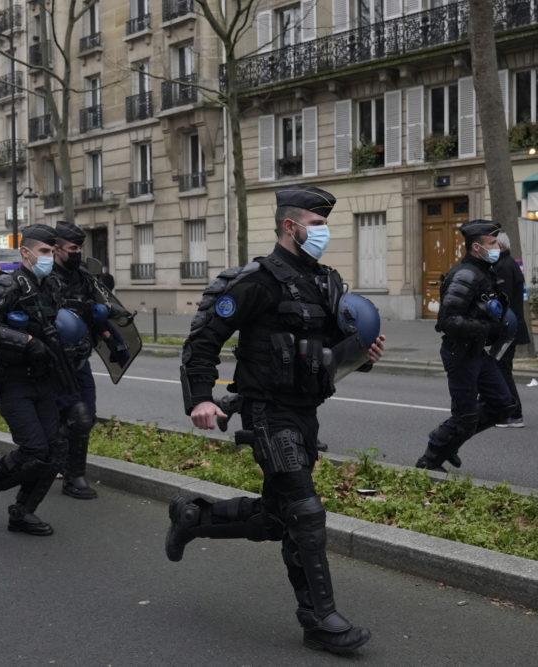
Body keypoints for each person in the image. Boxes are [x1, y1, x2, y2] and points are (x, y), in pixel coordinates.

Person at [166, 186, 385, 654]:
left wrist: (363, 356)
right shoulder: (255, 281)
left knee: (276, 517)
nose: (324, 232)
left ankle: (194, 516)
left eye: (326, 224)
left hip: (306, 414)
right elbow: (203, 340)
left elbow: (329, 352)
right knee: (305, 513)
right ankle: (320, 620)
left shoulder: (326, 282)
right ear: (292, 227)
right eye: (317, 223)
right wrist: (201, 398)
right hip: (267, 412)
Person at [0, 224, 91, 536]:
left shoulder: (52, 287)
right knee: (34, 450)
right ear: (26, 252)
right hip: (12, 378)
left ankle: (22, 512)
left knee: (56, 449)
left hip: (45, 378)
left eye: (51, 251)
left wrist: (78, 341)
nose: (49, 257)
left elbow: (62, 323)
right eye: (43, 252)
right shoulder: (6, 284)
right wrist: (26, 342)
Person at [415, 220, 519, 470]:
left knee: (502, 404)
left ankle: (451, 443)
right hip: (460, 354)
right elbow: (447, 322)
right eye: (492, 243)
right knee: (465, 416)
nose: (497, 247)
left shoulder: (484, 271)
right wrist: (489, 328)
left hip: (477, 352)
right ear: (476, 247)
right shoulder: (464, 275)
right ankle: (431, 457)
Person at [48, 220, 110, 499]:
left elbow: (97, 303)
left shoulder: (83, 275)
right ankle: (74, 476)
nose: (77, 253)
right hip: (55, 361)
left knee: (87, 415)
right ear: (57, 249)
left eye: (79, 248)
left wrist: (104, 323)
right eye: (73, 248)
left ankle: (60, 464)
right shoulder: (44, 276)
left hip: (80, 359)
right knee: (75, 416)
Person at [492, 231, 528, 428]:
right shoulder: (508, 264)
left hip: (507, 329)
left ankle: (513, 413)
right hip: (510, 327)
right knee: (500, 368)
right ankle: (505, 411)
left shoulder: (504, 267)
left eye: (492, 244)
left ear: (501, 247)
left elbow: (501, 301)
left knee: (501, 369)